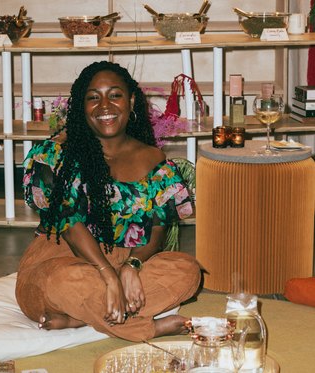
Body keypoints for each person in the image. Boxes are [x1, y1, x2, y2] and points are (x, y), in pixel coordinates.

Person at [15, 60, 201, 342]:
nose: (105, 106)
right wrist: (108, 274)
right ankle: (145, 327)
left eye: (114, 95)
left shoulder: (154, 160)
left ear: (131, 101)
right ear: (80, 106)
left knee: (188, 271)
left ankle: (80, 318)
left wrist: (131, 267)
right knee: (66, 282)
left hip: (124, 262)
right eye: (93, 98)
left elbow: (158, 228)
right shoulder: (54, 153)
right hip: (61, 260)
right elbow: (69, 224)